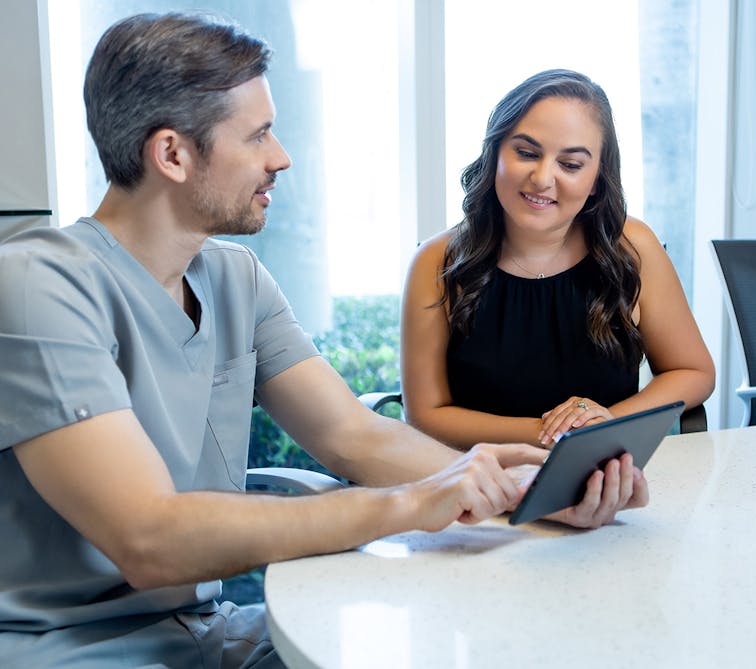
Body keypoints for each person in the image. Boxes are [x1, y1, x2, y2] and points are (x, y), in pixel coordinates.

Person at [0, 15, 649, 669]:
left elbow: (354, 436)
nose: (280, 157)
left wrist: (531, 487)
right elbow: (150, 539)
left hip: (207, 632)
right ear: (172, 154)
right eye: (257, 135)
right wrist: (411, 504)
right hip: (67, 649)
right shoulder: (37, 284)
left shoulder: (234, 277)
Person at [401, 69, 715, 450]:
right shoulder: (436, 261)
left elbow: (693, 371)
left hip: (603, 471)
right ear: (495, 153)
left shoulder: (632, 246)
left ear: (596, 179)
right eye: (526, 153)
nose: (542, 178)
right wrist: (555, 435)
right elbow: (425, 414)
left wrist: (607, 422)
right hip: (479, 476)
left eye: (570, 164)